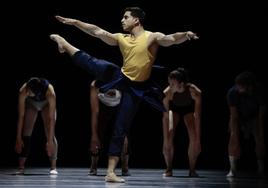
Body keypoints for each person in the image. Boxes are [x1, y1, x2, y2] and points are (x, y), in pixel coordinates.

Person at [50, 6, 198, 182]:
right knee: (93, 63)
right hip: (120, 76)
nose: (122, 20)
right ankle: (63, 43)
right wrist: (74, 22)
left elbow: (171, 38)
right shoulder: (121, 38)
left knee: (121, 127)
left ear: (136, 20)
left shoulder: (151, 37)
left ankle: (110, 172)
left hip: (136, 89)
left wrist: (185, 34)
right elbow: (97, 31)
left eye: (125, 17)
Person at [162, 67, 202, 177]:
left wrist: (198, 139)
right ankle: (169, 168)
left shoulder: (194, 91)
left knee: (194, 137)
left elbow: (197, 115)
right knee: (169, 137)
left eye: (172, 83)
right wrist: (165, 140)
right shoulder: (167, 92)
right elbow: (165, 116)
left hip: (188, 110)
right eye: (169, 82)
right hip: (173, 110)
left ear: (181, 83)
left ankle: (192, 169)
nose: (170, 85)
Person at [15, 77, 58, 175]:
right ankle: (21, 166)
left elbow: (52, 119)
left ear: (37, 92)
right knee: (26, 130)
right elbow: (21, 116)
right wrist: (18, 137)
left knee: (50, 133)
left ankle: (53, 166)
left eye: (29, 93)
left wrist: (50, 141)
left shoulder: (50, 92)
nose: (26, 93)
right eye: (27, 91)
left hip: (46, 103)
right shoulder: (23, 91)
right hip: (32, 104)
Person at [226, 71, 266, 177]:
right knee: (233, 138)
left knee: (259, 138)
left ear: (249, 86)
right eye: (237, 85)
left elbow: (262, 114)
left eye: (241, 86)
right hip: (239, 117)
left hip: (254, 116)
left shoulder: (260, 91)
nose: (238, 88)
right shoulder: (233, 92)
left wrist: (261, 133)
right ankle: (232, 169)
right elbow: (233, 116)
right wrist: (235, 135)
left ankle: (261, 168)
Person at [89, 80, 130, 176]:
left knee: (124, 138)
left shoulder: (123, 82)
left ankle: (125, 166)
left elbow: (126, 109)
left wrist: (125, 133)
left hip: (119, 107)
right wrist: (94, 136)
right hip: (103, 107)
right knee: (96, 134)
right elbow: (95, 112)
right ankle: (94, 164)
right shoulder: (95, 85)